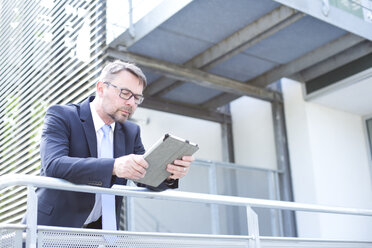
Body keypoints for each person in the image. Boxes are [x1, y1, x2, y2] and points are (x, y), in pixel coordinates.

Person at [34, 60, 194, 229]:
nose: (132, 103)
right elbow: (53, 165)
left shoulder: (131, 132)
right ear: (101, 88)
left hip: (99, 234)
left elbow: (145, 176)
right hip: (51, 228)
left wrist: (169, 174)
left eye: (137, 98)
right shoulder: (62, 116)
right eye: (125, 93)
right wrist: (114, 166)